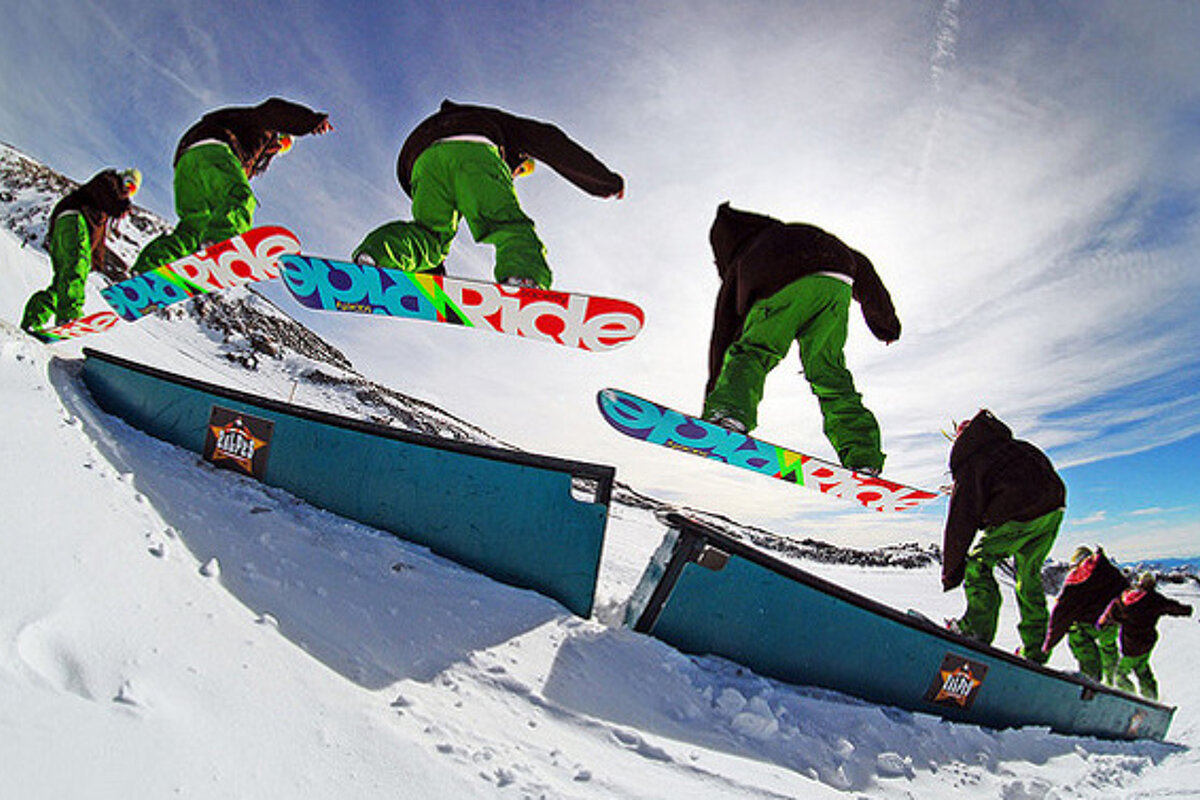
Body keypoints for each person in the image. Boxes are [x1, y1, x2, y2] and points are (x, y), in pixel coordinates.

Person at [701, 203, 899, 474]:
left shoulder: (747, 255)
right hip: (837, 278)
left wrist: (713, 398)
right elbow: (862, 265)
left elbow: (724, 332)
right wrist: (885, 323)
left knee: (754, 352)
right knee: (829, 372)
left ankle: (728, 415)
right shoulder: (793, 232)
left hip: (779, 278)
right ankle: (863, 456)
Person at [352, 99, 624, 289]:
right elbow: (551, 141)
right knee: (505, 222)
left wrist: (431, 280)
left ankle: (376, 255)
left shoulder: (458, 119)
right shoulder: (509, 130)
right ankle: (523, 278)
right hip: (474, 146)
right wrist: (603, 181)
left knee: (430, 236)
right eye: (520, 169)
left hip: (421, 159)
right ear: (519, 158)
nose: (516, 175)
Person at [132, 97, 332, 274]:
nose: (280, 148)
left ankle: (146, 271)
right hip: (213, 149)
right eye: (284, 141)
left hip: (186, 163)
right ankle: (221, 247)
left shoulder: (249, 155)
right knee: (241, 197)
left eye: (285, 149)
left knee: (193, 230)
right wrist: (309, 121)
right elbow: (274, 110)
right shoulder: (261, 125)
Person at [942, 409, 1066, 664]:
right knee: (1028, 578)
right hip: (1053, 508)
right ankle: (1036, 651)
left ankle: (976, 630)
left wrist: (952, 571)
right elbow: (1019, 478)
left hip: (1020, 511)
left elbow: (961, 522)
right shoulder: (1015, 447)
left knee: (978, 563)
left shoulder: (972, 459)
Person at [20, 168, 141, 332]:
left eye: (132, 188)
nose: (127, 189)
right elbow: (109, 195)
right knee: (76, 265)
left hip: (60, 230)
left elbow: (98, 241)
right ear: (121, 178)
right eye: (127, 182)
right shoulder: (108, 182)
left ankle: (33, 319)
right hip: (74, 220)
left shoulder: (103, 210)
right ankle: (69, 313)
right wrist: (123, 204)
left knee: (61, 284)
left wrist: (96, 262)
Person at [1100, 571, 1192, 700]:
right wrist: (1186, 610)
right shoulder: (1155, 599)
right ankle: (1151, 698)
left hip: (1130, 644)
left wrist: (1103, 622)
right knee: (1142, 669)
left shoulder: (1126, 598)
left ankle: (1130, 698)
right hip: (1147, 642)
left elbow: (1112, 612)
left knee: (1120, 675)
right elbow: (1172, 607)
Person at [1043, 545, 1126, 683]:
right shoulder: (1110, 571)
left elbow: (1062, 613)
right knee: (1108, 648)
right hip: (1110, 623)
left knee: (1079, 640)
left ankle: (1090, 679)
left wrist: (1048, 644)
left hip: (1088, 623)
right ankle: (1116, 682)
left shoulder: (1078, 577)